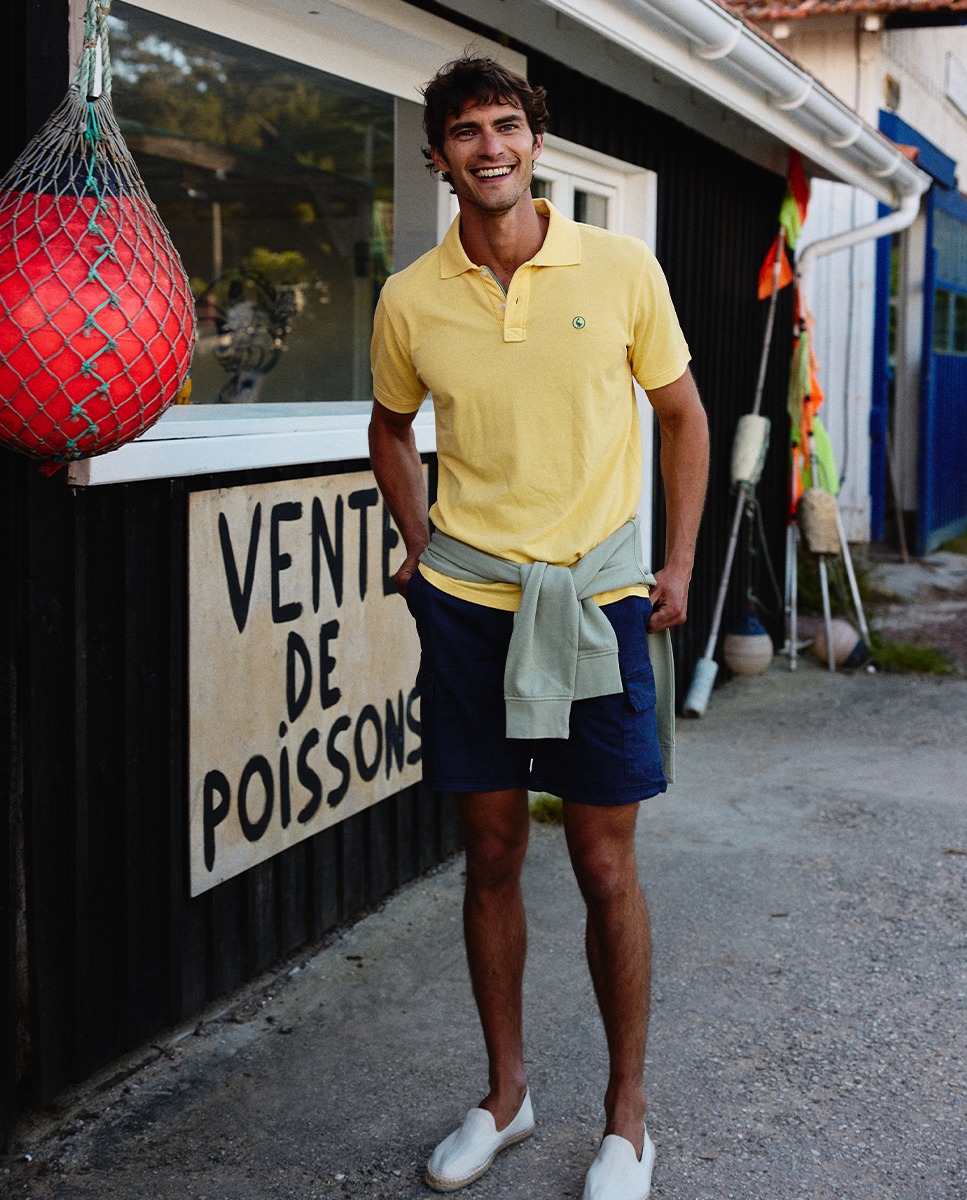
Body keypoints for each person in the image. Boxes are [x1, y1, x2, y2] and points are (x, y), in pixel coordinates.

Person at [368, 55, 709, 1200]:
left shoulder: (618, 268)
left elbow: (681, 416)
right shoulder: (411, 296)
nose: (489, 147)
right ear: (439, 157)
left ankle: (627, 1119)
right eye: (465, 132)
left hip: (596, 602)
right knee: (494, 851)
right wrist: (418, 545)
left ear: (536, 142)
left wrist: (676, 559)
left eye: (506, 125)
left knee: (605, 861)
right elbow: (387, 427)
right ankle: (506, 1098)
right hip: (467, 607)